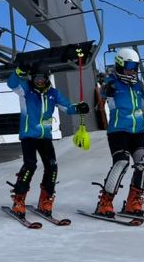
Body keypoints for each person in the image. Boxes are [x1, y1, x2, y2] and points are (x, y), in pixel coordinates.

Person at [94, 47, 144, 217]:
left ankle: (133, 201)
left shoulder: (138, 86)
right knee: (121, 162)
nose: (131, 70)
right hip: (118, 131)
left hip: (139, 131)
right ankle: (105, 202)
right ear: (120, 65)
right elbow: (102, 94)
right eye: (128, 66)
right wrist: (106, 87)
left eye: (134, 66)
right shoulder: (112, 83)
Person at [6, 62, 89, 216]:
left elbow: (67, 108)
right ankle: (19, 198)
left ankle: (45, 200)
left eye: (43, 78)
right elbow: (11, 83)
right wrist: (18, 71)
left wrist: (78, 108)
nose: (40, 81)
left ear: (47, 78)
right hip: (29, 135)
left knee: (52, 166)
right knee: (30, 165)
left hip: (45, 137)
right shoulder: (25, 90)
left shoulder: (53, 93)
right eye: (37, 78)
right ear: (32, 78)